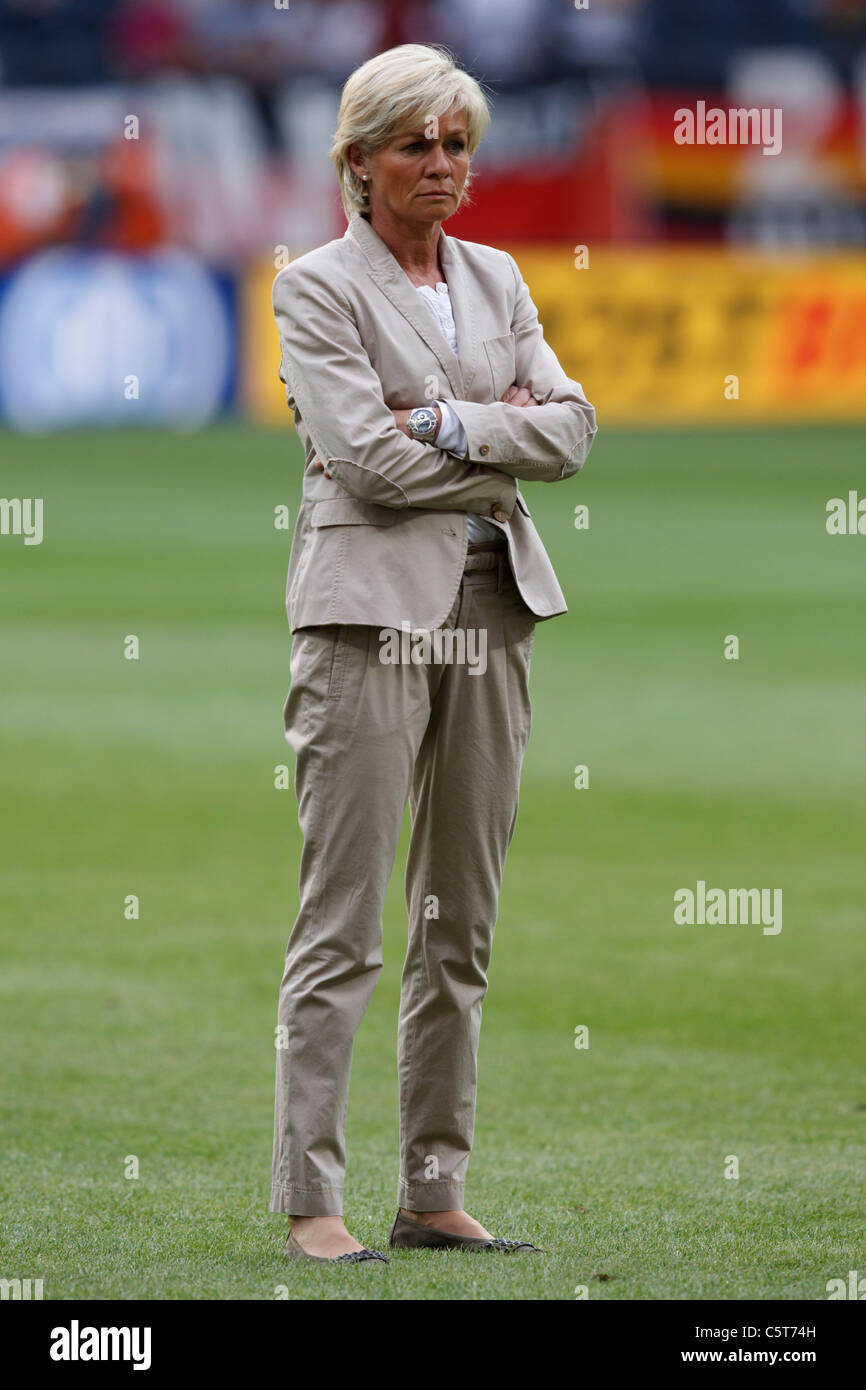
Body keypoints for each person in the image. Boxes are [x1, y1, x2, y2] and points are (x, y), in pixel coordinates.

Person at [270, 42, 597, 1265]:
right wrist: (500, 444)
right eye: (414, 143)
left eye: (456, 142)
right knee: (344, 921)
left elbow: (571, 430)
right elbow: (362, 459)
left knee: (459, 923)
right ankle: (312, 1202)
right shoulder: (313, 288)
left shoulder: (499, 275)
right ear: (357, 162)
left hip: (492, 607)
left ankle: (431, 1190)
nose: (442, 165)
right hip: (362, 617)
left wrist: (459, 421)